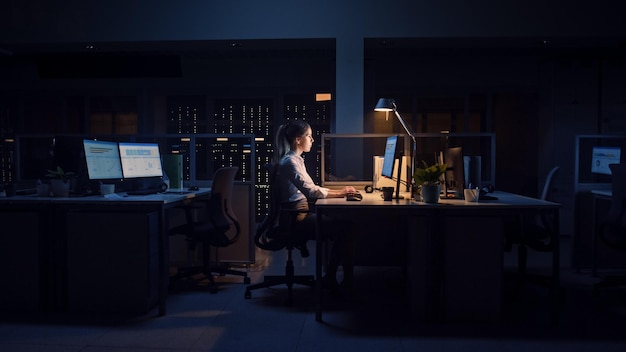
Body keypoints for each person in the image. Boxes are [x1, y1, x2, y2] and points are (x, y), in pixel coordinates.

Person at [274, 119, 355, 289]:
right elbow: (310, 191)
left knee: (342, 225)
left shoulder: (296, 160)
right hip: (295, 218)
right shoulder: (289, 162)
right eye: (309, 136)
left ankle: (332, 277)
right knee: (344, 229)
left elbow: (312, 188)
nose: (312, 140)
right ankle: (332, 278)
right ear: (298, 139)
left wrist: (340, 191)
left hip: (298, 214)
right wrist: (341, 193)